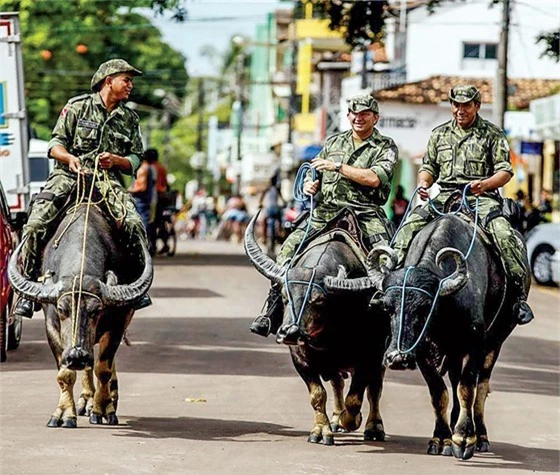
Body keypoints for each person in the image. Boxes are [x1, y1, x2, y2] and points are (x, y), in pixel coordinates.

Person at [250, 93, 399, 337]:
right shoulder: (333, 142)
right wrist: (311, 184)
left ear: (375, 117)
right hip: (326, 211)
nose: (358, 118)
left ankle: (388, 319)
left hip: (364, 213)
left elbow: (374, 178)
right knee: (287, 251)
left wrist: (338, 167)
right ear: (348, 116)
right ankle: (273, 309)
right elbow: (314, 171)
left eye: (365, 114)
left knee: (387, 260)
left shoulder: (385, 146)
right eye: (354, 113)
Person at [14, 59, 151, 318]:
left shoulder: (129, 118)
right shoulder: (77, 107)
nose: (130, 85)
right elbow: (55, 144)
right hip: (68, 176)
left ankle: (136, 289)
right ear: (108, 81)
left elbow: (135, 157)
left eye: (131, 81)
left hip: (107, 181)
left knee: (134, 224)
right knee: (34, 224)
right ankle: (27, 290)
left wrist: (117, 161)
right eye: (126, 79)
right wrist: (69, 158)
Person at [391, 85, 533, 325]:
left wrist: (486, 184)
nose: (460, 110)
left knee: (504, 234)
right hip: (445, 197)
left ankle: (517, 296)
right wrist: (424, 184)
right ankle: (393, 282)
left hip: (480, 198)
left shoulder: (492, 134)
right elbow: (429, 167)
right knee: (408, 225)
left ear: (477, 106)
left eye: (466, 105)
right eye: (456, 104)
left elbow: (505, 171)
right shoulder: (439, 134)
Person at [129, 149, 158, 252]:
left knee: (142, 224)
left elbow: (141, 187)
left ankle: (142, 247)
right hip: (147, 200)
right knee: (146, 223)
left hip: (141, 201)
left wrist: (127, 190)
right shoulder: (150, 168)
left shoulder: (143, 169)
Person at [258, 175, 286, 246]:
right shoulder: (277, 189)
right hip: (276, 208)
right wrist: (284, 204)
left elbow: (261, 198)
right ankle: (280, 234)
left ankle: (264, 237)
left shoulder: (267, 188)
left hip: (269, 208)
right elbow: (282, 198)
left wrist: (260, 203)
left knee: (265, 222)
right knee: (280, 221)